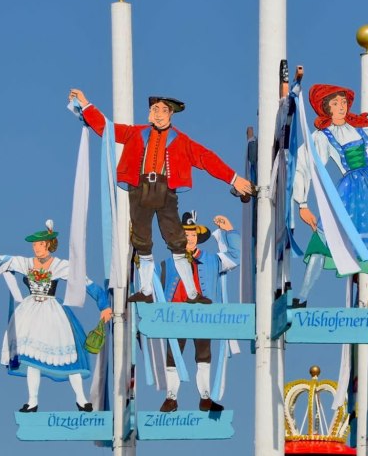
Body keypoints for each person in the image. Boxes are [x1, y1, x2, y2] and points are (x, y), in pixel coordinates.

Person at [67, 89, 253, 304]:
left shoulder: (181, 141)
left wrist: (233, 179)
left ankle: (192, 294)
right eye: (155, 109)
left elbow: (206, 158)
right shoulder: (135, 133)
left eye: (163, 110)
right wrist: (86, 104)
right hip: (140, 188)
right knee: (141, 239)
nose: (158, 113)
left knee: (176, 240)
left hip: (166, 190)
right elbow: (106, 129)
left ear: (171, 114)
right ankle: (145, 290)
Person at [0, 221, 112, 412]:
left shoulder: (61, 266)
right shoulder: (25, 263)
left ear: (49, 245)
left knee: (68, 355)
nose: (37, 248)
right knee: (31, 358)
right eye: (34, 245)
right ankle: (32, 401)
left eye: (40, 245)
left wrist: (104, 306)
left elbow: (87, 283)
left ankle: (82, 399)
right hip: (30, 315)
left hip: (53, 314)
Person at [290, 73, 368, 309]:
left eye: (342, 102)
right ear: (326, 108)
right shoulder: (323, 136)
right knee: (323, 239)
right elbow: (304, 165)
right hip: (350, 192)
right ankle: (302, 295)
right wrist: (302, 204)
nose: (340, 106)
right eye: (334, 103)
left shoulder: (363, 123)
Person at [159, 213, 240, 412]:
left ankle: (205, 397)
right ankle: (171, 397)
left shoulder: (212, 260)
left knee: (204, 355)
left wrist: (229, 230)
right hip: (175, 316)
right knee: (172, 357)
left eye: (192, 234)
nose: (190, 238)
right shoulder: (167, 264)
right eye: (185, 234)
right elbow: (158, 291)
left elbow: (235, 256)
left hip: (203, 316)